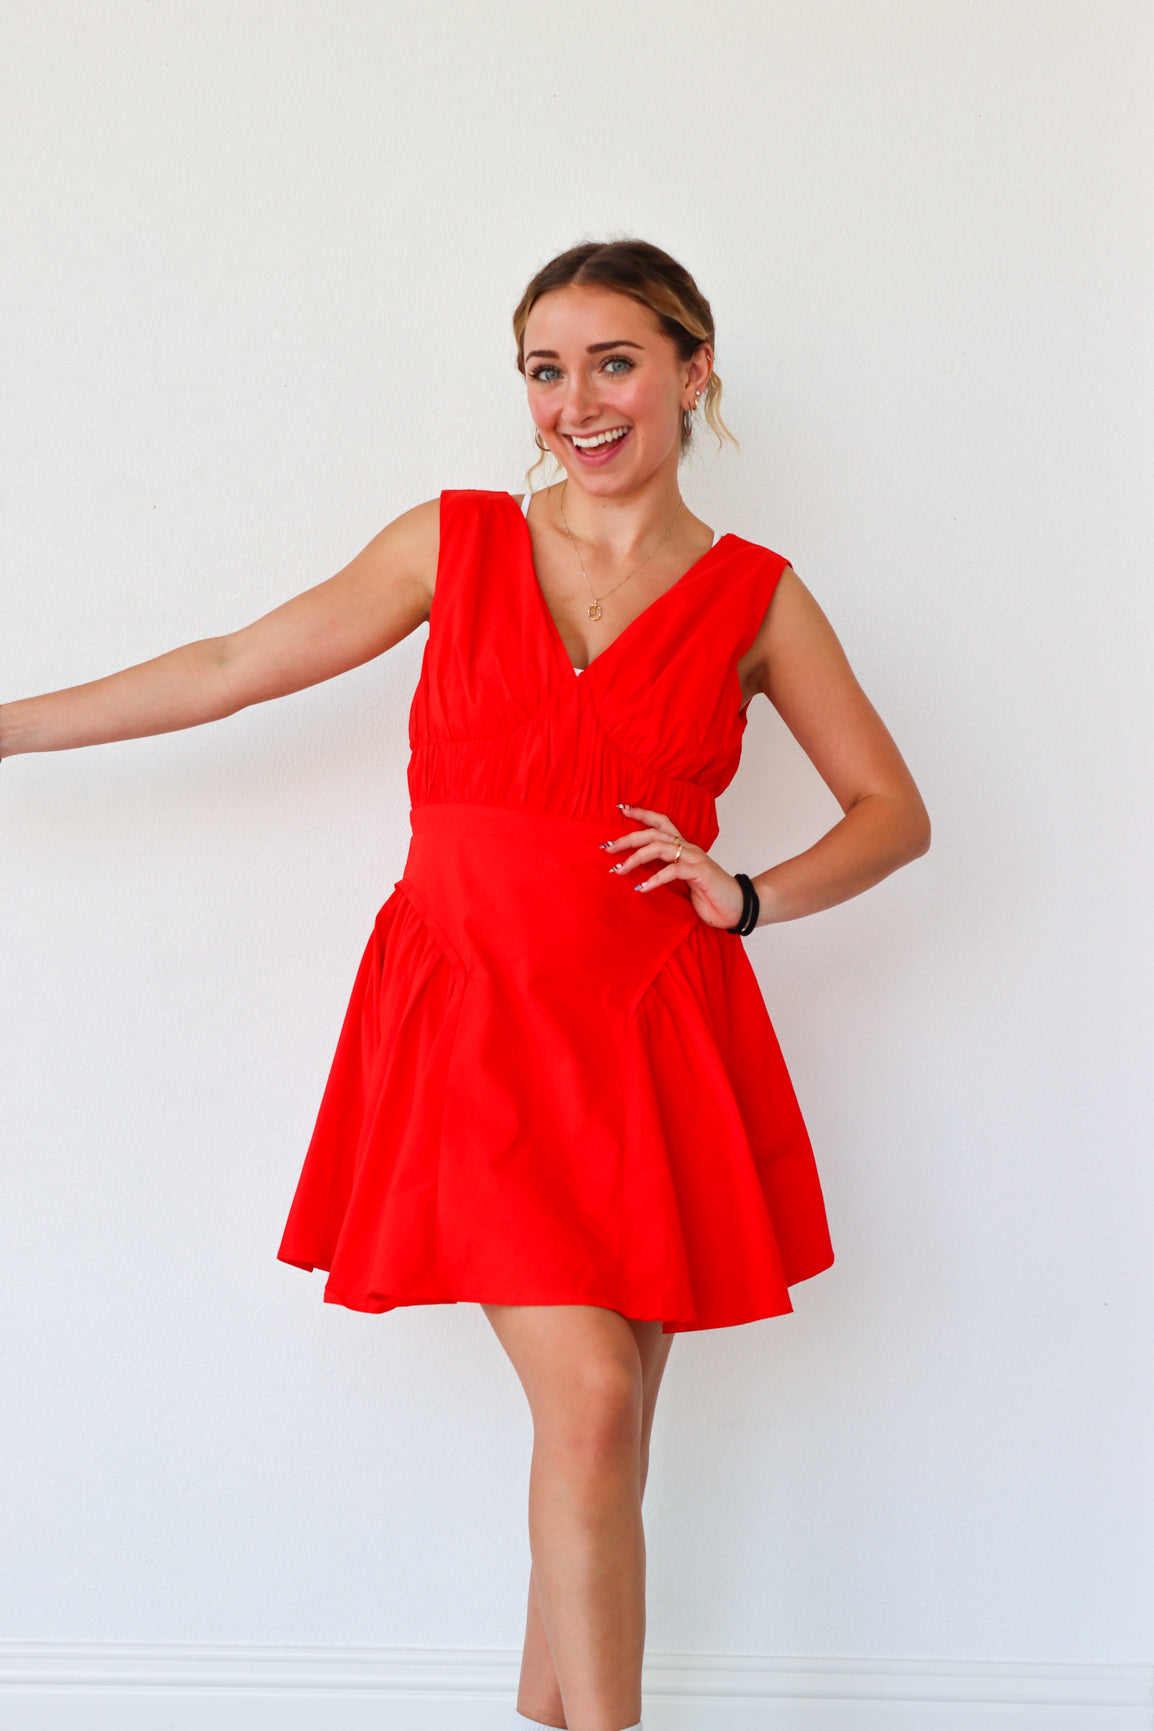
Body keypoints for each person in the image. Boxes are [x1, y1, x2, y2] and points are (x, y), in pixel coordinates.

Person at [1, 238, 930, 1731]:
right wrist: (6, 727)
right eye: (544, 369)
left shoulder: (756, 597)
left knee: (605, 1438)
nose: (575, 401)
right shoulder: (455, 542)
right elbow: (229, 662)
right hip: (471, 1019)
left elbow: (895, 812)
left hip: (649, 1030)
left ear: (692, 373)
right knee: (591, 1403)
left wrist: (747, 893)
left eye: (611, 362)